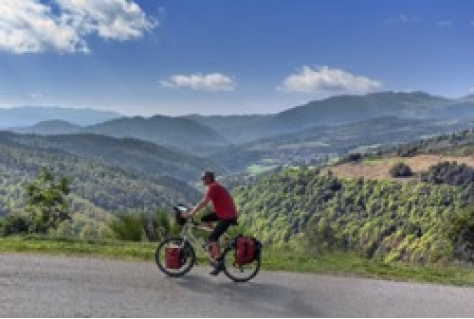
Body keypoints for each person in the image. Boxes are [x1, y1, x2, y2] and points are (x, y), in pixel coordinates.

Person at [181, 170, 238, 275]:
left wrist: (190, 214)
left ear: (208, 179)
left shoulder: (213, 187)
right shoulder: (214, 186)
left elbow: (203, 203)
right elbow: (204, 203)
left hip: (227, 216)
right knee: (205, 219)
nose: (202, 180)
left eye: (203, 178)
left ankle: (219, 263)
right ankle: (214, 242)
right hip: (224, 213)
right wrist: (193, 209)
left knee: (212, 237)